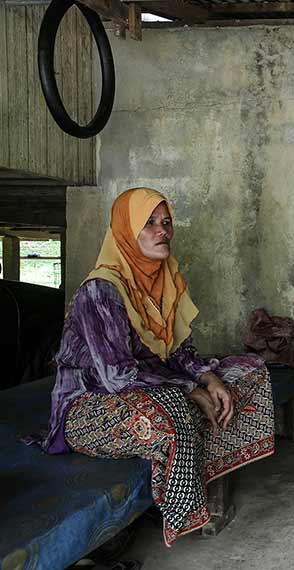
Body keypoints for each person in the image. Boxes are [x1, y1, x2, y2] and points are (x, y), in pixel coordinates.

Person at [41, 187, 275, 545]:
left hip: (150, 388)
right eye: (148, 223)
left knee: (250, 372)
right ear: (125, 231)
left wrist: (208, 378)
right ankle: (183, 510)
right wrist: (189, 389)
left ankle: (197, 444)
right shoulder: (101, 290)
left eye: (166, 222)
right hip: (89, 405)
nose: (162, 230)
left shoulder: (165, 278)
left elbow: (178, 349)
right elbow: (118, 376)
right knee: (174, 407)